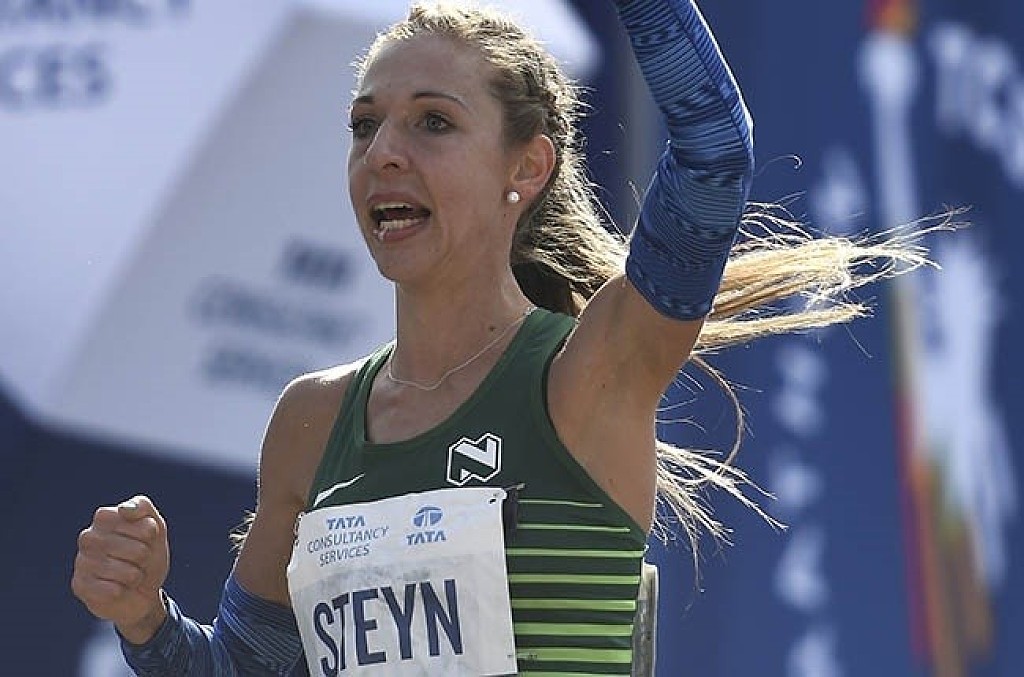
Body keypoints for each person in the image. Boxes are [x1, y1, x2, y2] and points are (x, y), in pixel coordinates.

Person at [71, 0, 932, 675]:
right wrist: (145, 617)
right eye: (365, 125)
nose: (384, 152)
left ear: (527, 167)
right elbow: (241, 669)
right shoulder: (311, 419)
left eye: (433, 122)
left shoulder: (587, 372)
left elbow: (714, 151)